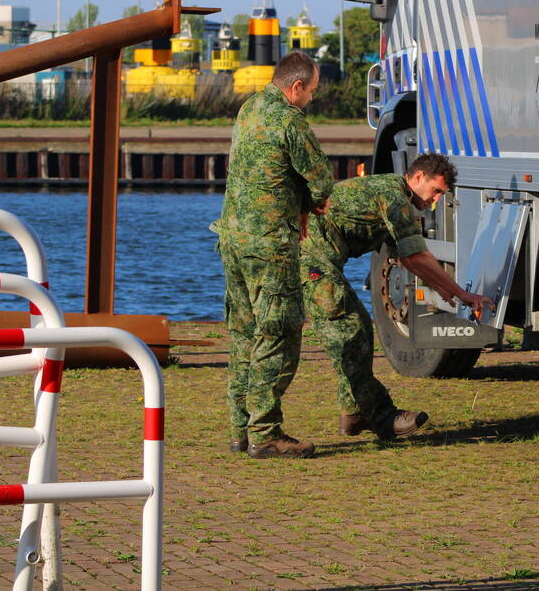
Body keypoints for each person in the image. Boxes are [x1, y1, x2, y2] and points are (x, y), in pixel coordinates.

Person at [301, 153, 494, 439]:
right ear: (417, 178)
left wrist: (444, 288)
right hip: (307, 260)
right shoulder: (394, 198)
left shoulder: (393, 195)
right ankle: (381, 416)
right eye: (436, 191)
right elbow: (416, 257)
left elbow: (407, 258)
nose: (436, 201)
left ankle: (354, 413)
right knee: (351, 332)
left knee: (356, 334)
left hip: (315, 260)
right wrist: (461, 293)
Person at [211, 52, 333, 459]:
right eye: (311, 91)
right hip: (269, 244)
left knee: (244, 333)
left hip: (232, 239)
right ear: (295, 87)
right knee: (279, 333)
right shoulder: (290, 121)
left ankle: (239, 428)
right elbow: (320, 180)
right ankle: (264, 432)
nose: (311, 99)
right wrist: (310, 206)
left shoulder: (249, 108)